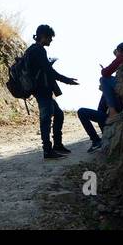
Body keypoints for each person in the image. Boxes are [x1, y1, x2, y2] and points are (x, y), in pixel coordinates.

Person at [21, 24, 79, 159]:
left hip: (41, 89)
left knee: (58, 114)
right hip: (42, 90)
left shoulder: (32, 49)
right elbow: (49, 71)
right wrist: (67, 80)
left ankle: (57, 145)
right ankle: (47, 150)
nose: (51, 40)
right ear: (43, 37)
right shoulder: (39, 50)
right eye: (50, 38)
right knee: (46, 119)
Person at [79, 42, 123, 151]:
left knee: (103, 79)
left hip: (119, 107)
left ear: (120, 51)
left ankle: (98, 139)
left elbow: (105, 72)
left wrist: (105, 72)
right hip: (110, 112)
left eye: (116, 53)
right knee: (83, 111)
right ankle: (98, 140)